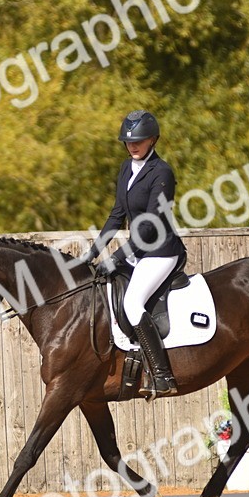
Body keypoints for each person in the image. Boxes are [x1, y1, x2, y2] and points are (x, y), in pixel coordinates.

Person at [80, 109, 187, 398]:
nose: (132, 146)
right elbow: (117, 215)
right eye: (128, 142)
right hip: (138, 251)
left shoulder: (162, 172)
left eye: (138, 141)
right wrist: (92, 252)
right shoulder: (127, 168)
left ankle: (163, 375)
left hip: (161, 251)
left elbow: (151, 226)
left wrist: (115, 258)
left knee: (132, 303)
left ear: (153, 139)